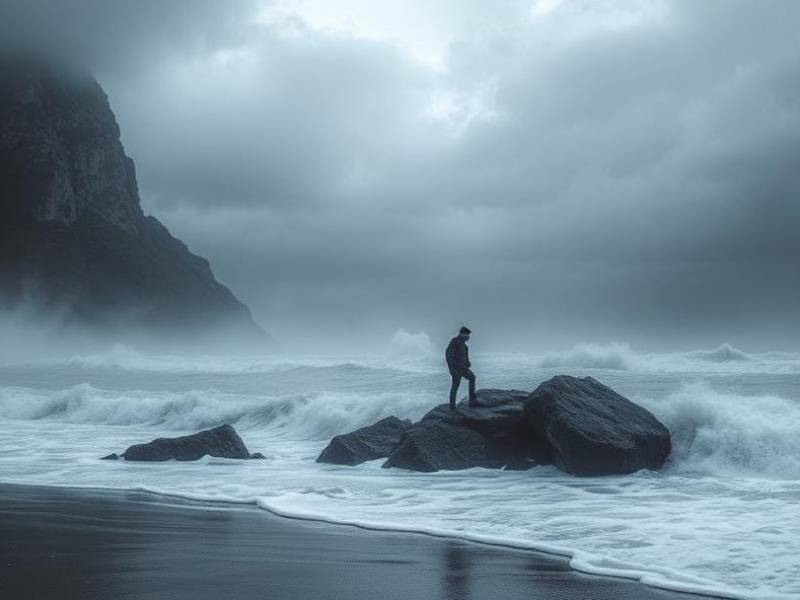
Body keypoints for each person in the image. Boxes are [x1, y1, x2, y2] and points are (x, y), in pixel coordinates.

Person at [445, 326, 477, 409]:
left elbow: (464, 357)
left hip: (463, 368)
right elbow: (448, 355)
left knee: (472, 378)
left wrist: (468, 363)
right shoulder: (455, 341)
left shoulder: (464, 345)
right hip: (456, 369)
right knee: (456, 385)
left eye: (469, 335)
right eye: (467, 335)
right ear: (462, 334)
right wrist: (452, 369)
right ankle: (453, 406)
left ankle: (471, 401)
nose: (468, 337)